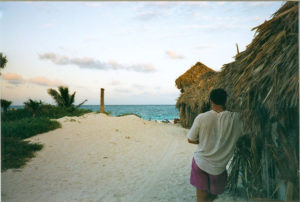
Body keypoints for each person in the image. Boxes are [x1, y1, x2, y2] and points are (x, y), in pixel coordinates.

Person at [187, 88, 243, 202]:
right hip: (219, 166)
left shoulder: (202, 117)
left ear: (210, 101)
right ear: (225, 101)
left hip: (200, 162)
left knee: (201, 197)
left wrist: (202, 141)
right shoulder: (236, 118)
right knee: (213, 196)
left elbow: (190, 139)